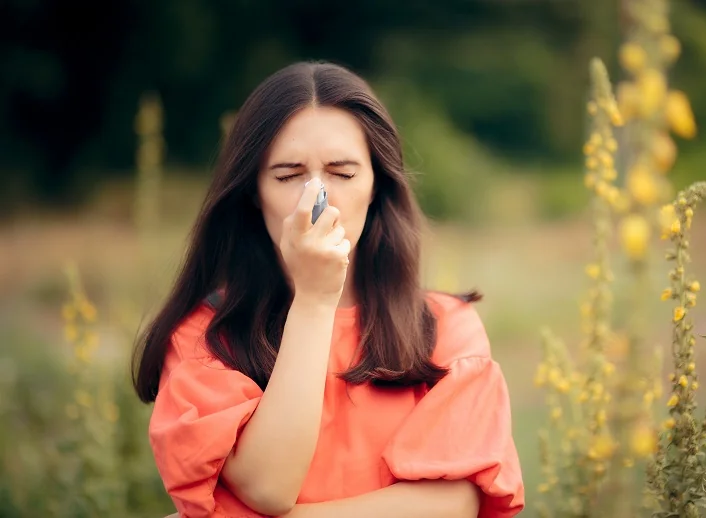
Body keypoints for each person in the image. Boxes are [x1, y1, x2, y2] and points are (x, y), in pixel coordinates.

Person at [132, 61, 525, 518]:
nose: (316, 197)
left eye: (343, 172)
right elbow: (269, 487)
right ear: (254, 191)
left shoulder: (444, 330)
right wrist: (315, 300)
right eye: (287, 175)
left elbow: (454, 505)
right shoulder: (203, 336)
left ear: (376, 183)